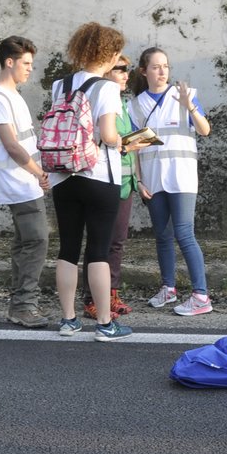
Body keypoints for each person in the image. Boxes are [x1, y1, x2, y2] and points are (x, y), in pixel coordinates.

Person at [49, 22, 142, 342]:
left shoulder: (59, 85)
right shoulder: (107, 88)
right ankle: (105, 323)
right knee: (99, 251)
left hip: (62, 174)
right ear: (110, 53)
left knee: (68, 249)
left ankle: (67, 320)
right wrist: (128, 144)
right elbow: (108, 136)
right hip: (99, 174)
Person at [131, 47, 213, 316]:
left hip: (182, 177)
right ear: (144, 71)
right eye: (155, 66)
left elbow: (204, 130)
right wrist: (138, 180)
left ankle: (201, 295)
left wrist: (189, 106)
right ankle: (169, 287)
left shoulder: (185, 95)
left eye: (165, 65)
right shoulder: (136, 104)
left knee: (184, 233)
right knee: (163, 236)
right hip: (154, 180)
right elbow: (135, 148)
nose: (162, 71)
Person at [0, 36, 49, 329]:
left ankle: (20, 304)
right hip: (18, 181)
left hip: (25, 180)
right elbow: (11, 145)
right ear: (9, 62)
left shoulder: (13, 96)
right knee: (36, 241)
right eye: (26, 63)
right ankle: (23, 305)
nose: (29, 70)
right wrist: (38, 172)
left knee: (27, 243)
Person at [85, 54, 135, 322]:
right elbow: (109, 138)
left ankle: (111, 293)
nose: (126, 74)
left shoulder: (124, 104)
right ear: (106, 73)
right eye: (120, 70)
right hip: (103, 178)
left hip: (124, 180)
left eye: (128, 70)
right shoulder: (101, 100)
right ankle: (92, 298)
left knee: (117, 242)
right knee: (99, 242)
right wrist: (126, 144)